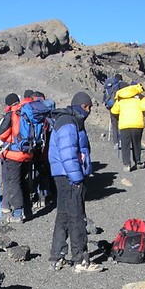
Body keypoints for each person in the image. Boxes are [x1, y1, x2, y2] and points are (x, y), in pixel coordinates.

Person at [48, 92, 103, 273]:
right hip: (69, 176)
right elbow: (68, 153)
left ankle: (57, 256)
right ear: (80, 106)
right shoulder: (69, 123)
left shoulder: (67, 120)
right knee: (77, 216)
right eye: (87, 107)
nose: (89, 111)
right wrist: (77, 178)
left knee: (63, 214)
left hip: (60, 175)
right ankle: (81, 260)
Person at [0, 93, 33, 223]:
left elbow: (2, 134)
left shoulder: (12, 114)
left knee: (14, 182)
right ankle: (28, 210)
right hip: (28, 152)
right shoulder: (28, 111)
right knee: (23, 180)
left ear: (9, 104)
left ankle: (17, 212)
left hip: (14, 154)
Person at [111, 81, 145, 171]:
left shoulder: (120, 99)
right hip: (137, 124)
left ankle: (127, 164)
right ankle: (138, 162)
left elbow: (114, 112)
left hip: (124, 124)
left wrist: (120, 116)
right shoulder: (141, 98)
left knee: (125, 144)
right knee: (136, 143)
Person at [102, 74, 124, 148]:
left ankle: (116, 142)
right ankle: (121, 140)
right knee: (121, 123)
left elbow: (105, 96)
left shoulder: (109, 86)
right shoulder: (119, 85)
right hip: (119, 106)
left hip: (111, 106)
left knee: (114, 124)